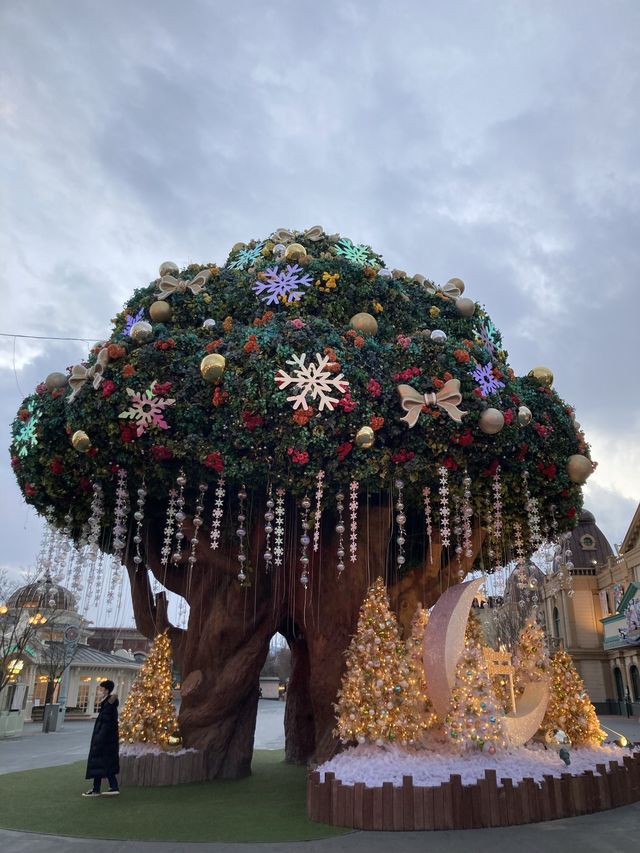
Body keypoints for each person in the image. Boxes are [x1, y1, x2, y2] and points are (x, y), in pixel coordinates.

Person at [82, 679, 120, 797]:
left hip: (104, 740)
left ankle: (98, 789)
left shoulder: (108, 706)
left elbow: (106, 724)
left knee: (100, 762)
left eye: (101, 689)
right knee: (104, 763)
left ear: (106, 690)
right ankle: (109, 787)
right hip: (106, 740)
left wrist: (99, 738)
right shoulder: (107, 704)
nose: (99, 691)